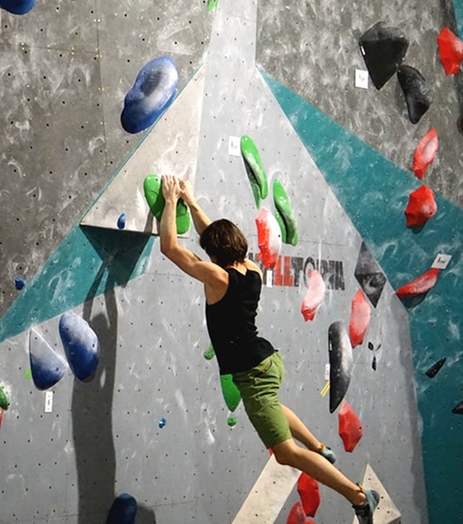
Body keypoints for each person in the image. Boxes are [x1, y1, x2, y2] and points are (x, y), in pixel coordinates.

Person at [157, 175, 380, 523]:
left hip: (252, 372)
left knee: (285, 453)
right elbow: (212, 235)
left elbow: (171, 248)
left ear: (215, 255)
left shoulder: (218, 278)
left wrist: (171, 200)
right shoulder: (253, 269)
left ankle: (359, 496)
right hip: (268, 361)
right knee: (273, 407)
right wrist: (191, 200)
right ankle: (322, 448)